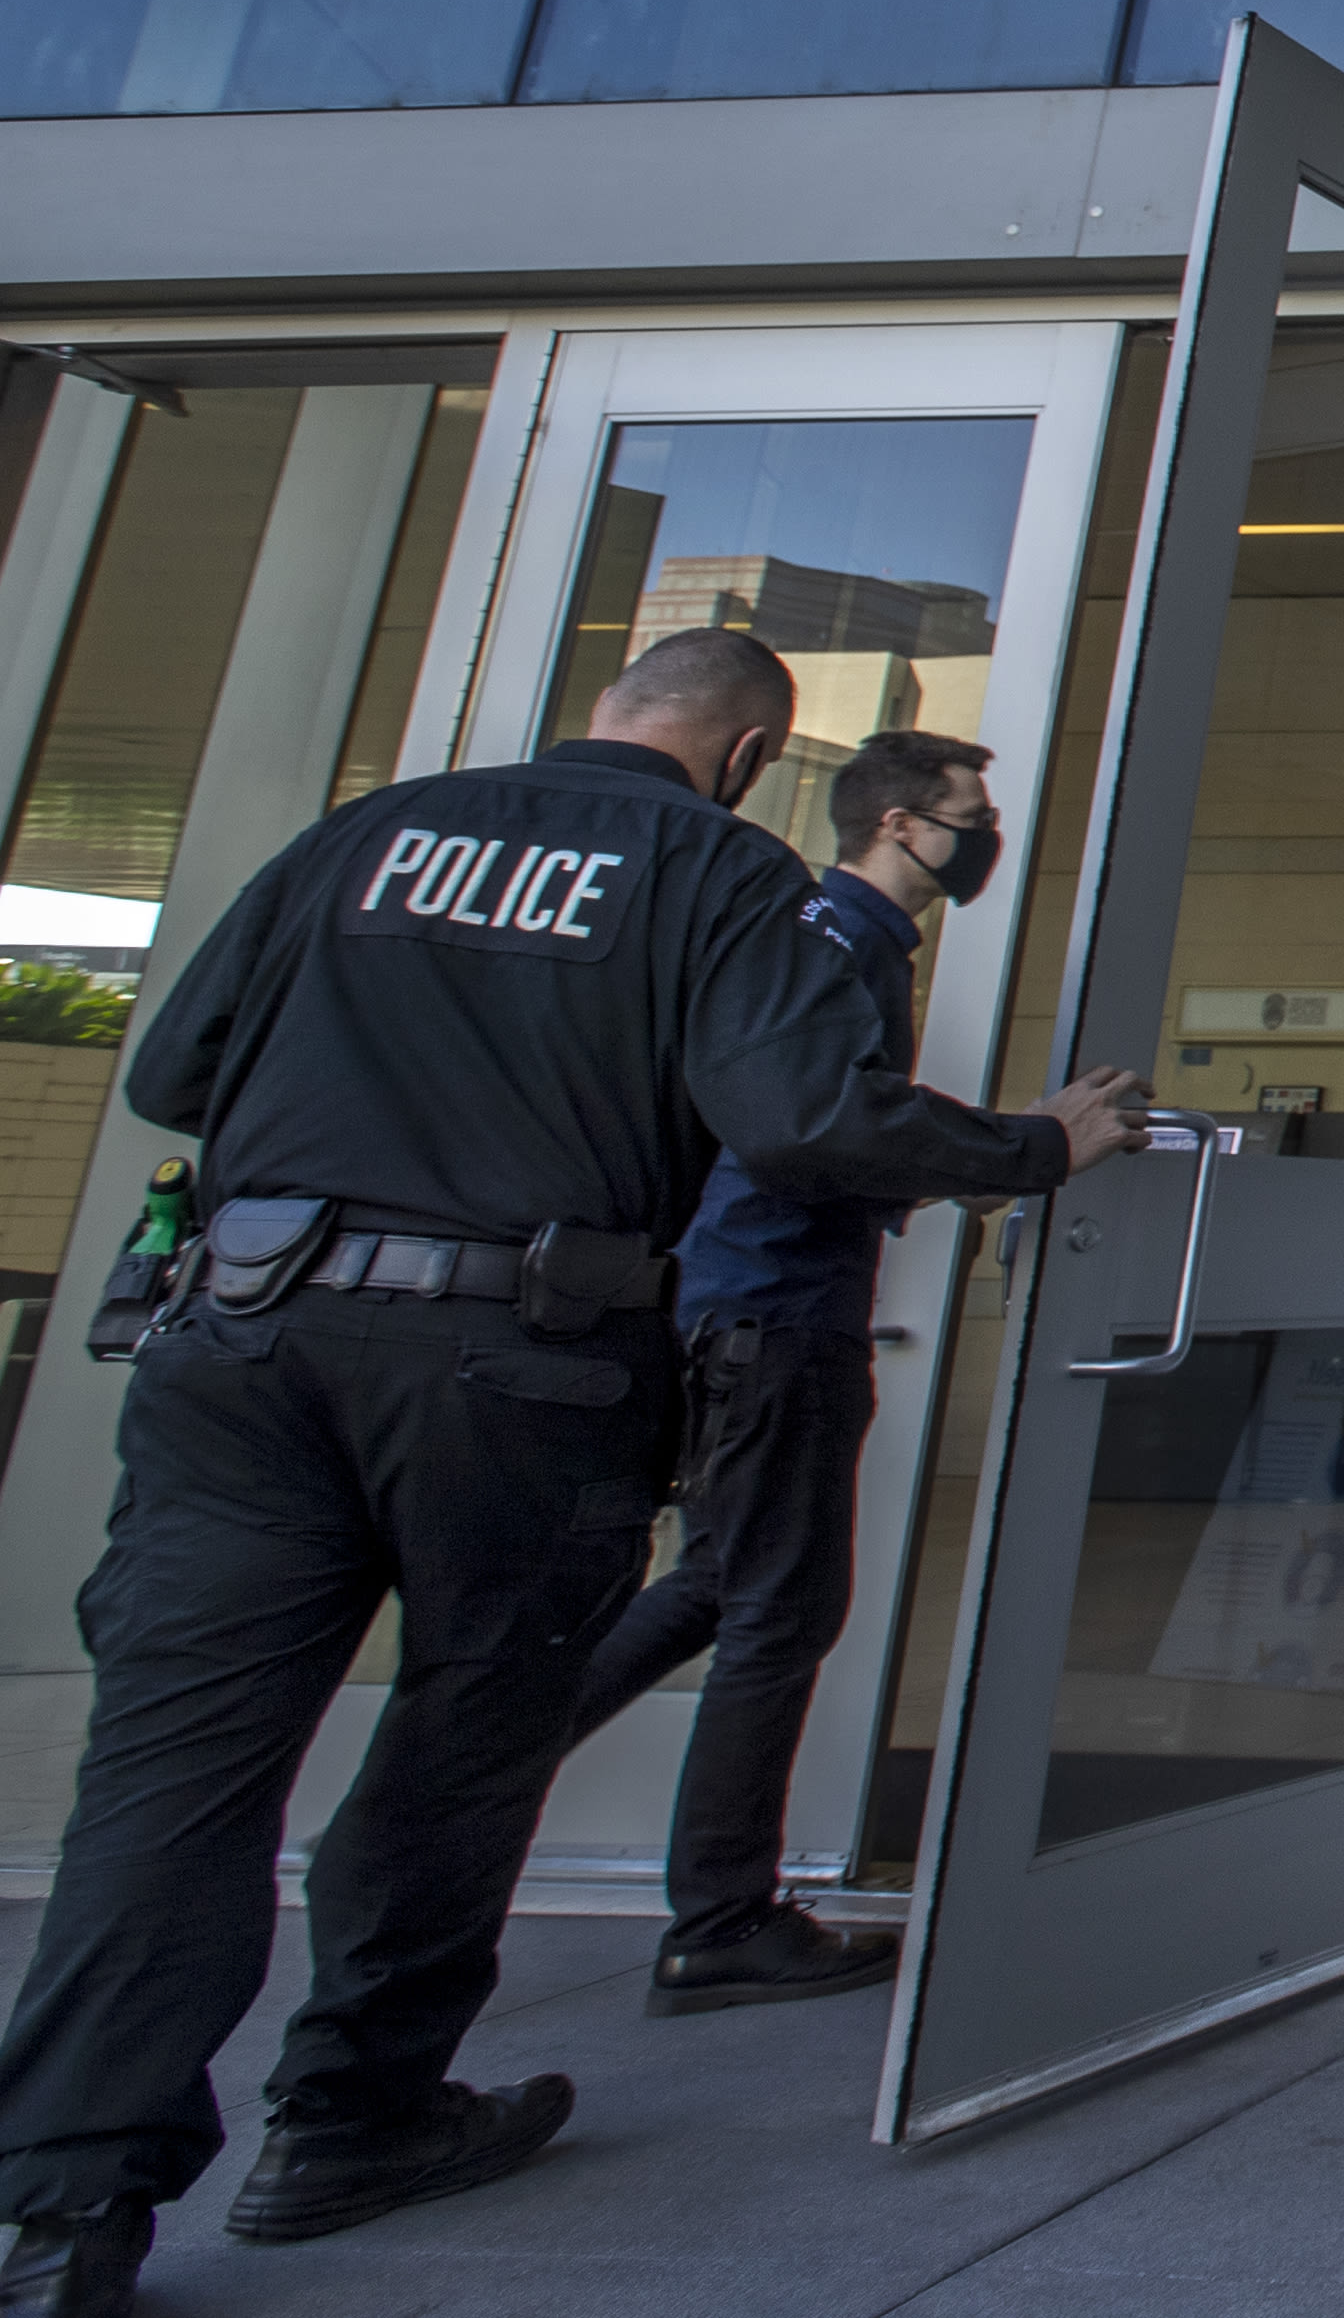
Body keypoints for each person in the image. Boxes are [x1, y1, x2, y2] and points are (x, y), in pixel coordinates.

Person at [0, 632, 1143, 2318]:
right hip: (513, 1363)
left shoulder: (365, 836)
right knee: (462, 1742)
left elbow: (175, 1072)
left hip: (244, 1344)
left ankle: (58, 2215)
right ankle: (352, 2117)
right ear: (753, 754)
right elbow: (799, 1121)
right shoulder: (714, 871)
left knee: (170, 1779)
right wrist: (1034, 1146)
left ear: (605, 713)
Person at [553, 725, 1013, 2017]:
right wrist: (1023, 1151)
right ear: (898, 824)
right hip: (772, 1324)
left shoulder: (841, 943)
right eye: (968, 810)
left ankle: (481, 1763)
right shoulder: (837, 942)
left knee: (719, 1583)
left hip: (749, 1317)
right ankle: (721, 1918)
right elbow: (812, 1132)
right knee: (778, 1612)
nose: (983, 834)